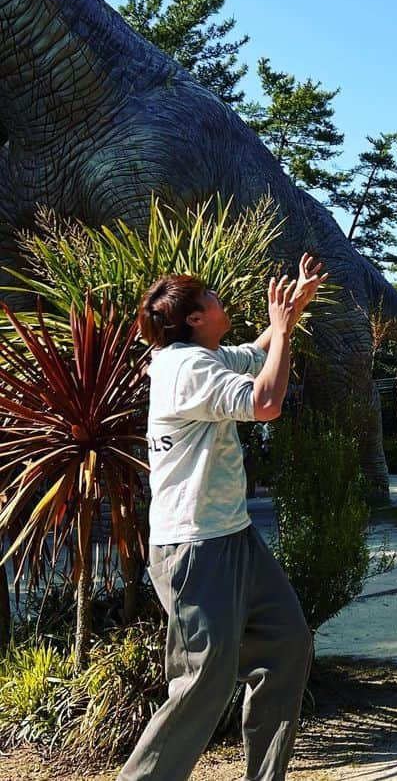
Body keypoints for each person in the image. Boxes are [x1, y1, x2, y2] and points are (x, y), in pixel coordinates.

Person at [119, 255, 327, 781]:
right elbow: (266, 402)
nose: (219, 300)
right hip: (194, 548)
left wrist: (290, 314)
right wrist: (282, 331)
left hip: (232, 535)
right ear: (193, 318)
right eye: (209, 297)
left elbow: (255, 356)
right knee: (202, 683)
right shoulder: (185, 368)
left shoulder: (201, 356)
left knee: (286, 644)